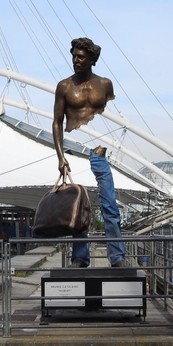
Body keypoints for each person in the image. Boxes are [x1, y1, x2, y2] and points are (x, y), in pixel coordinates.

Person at [53, 37, 125, 268]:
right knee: (78, 208)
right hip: (75, 153)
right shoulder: (64, 86)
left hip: (100, 154)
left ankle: (117, 257)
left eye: (81, 57)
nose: (76, 60)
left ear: (91, 59)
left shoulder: (105, 84)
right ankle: (80, 257)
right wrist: (61, 156)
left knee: (110, 206)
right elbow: (57, 122)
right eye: (73, 56)